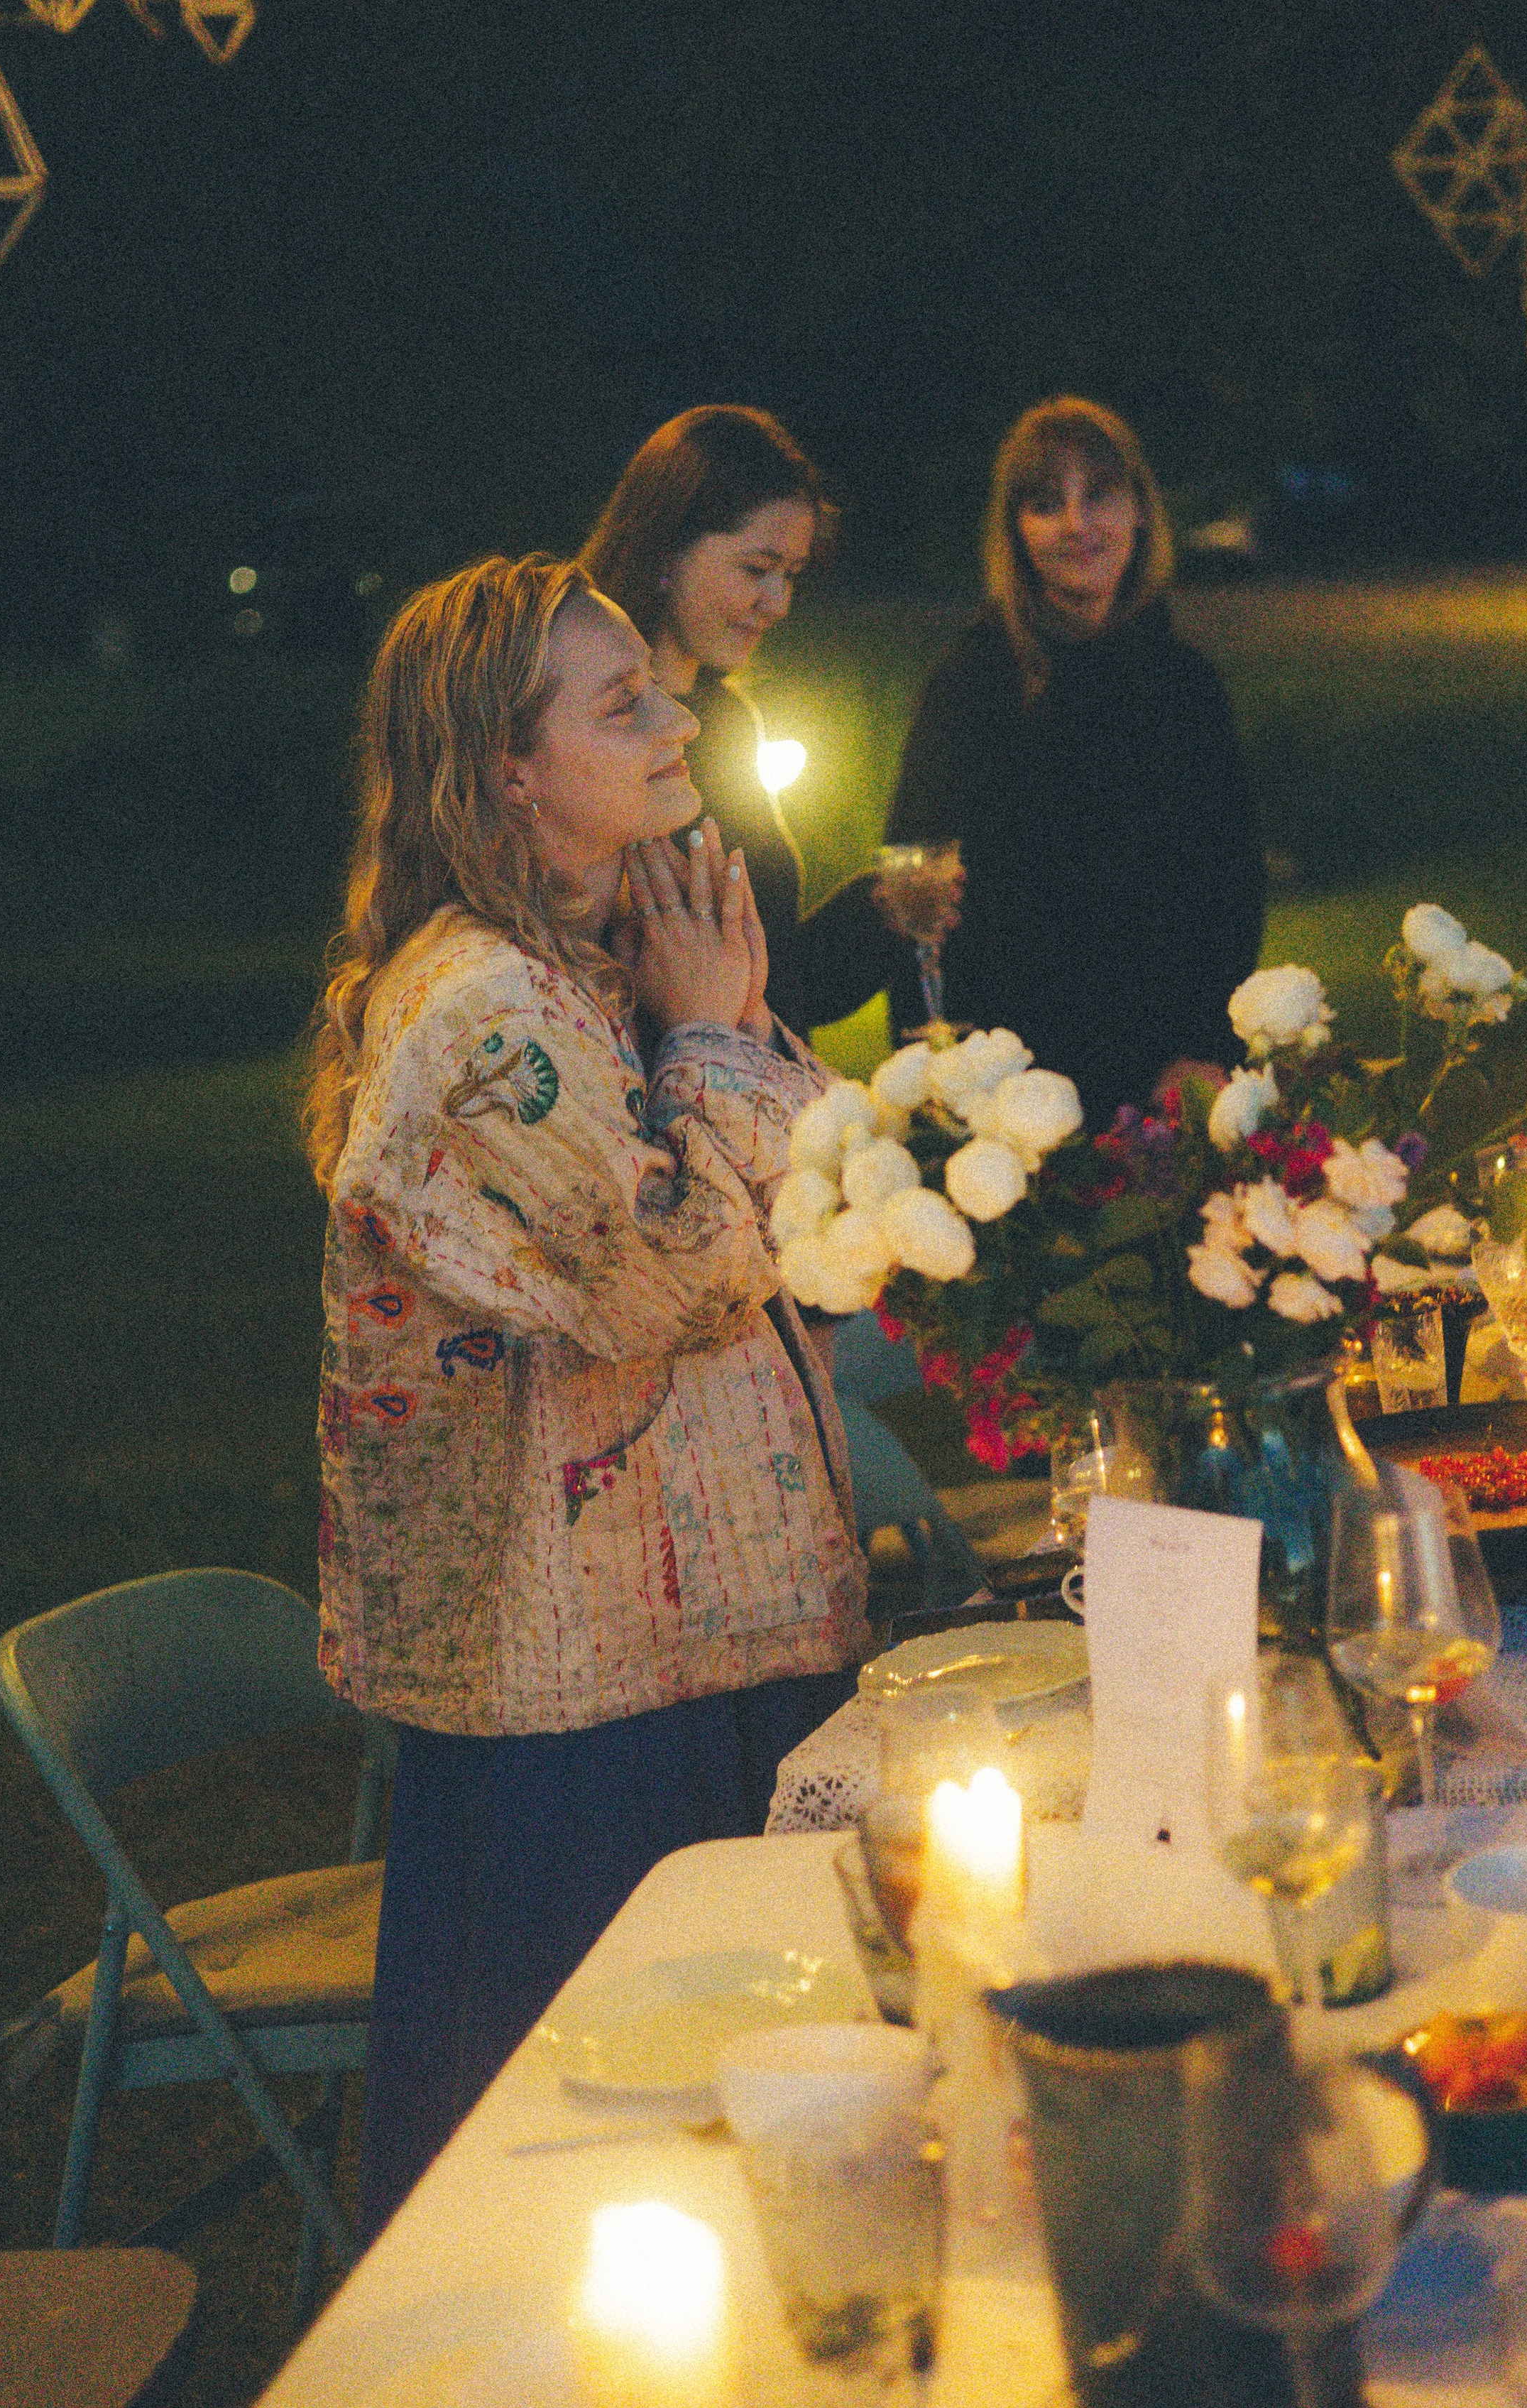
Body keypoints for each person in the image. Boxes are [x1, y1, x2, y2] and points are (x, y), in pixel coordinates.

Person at [305, 554, 870, 2240]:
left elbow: (822, 1192)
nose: (676, 713)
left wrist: (727, 1030)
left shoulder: (609, 956)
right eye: (620, 704)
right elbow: (670, 1283)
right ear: (503, 767)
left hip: (708, 1628)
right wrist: (716, 1048)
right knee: (602, 2139)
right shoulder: (479, 1010)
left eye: (656, 686)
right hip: (575, 1695)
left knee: (764, 2103)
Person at [886, 397, 1264, 1127]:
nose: (1075, 523)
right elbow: (918, 897)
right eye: (1043, 502)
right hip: (1012, 1094)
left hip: (1170, 1080)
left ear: (1141, 512)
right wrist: (944, 1085)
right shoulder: (970, 685)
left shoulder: (1185, 687)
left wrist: (1203, 1049)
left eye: (1098, 494)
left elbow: (1231, 885)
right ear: (1014, 530)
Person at [581, 405, 934, 1041]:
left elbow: (768, 985)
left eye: (790, 576)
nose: (776, 604)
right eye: (755, 569)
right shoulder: (592, 727)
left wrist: (882, 912)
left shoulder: (727, 720)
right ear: (666, 548)